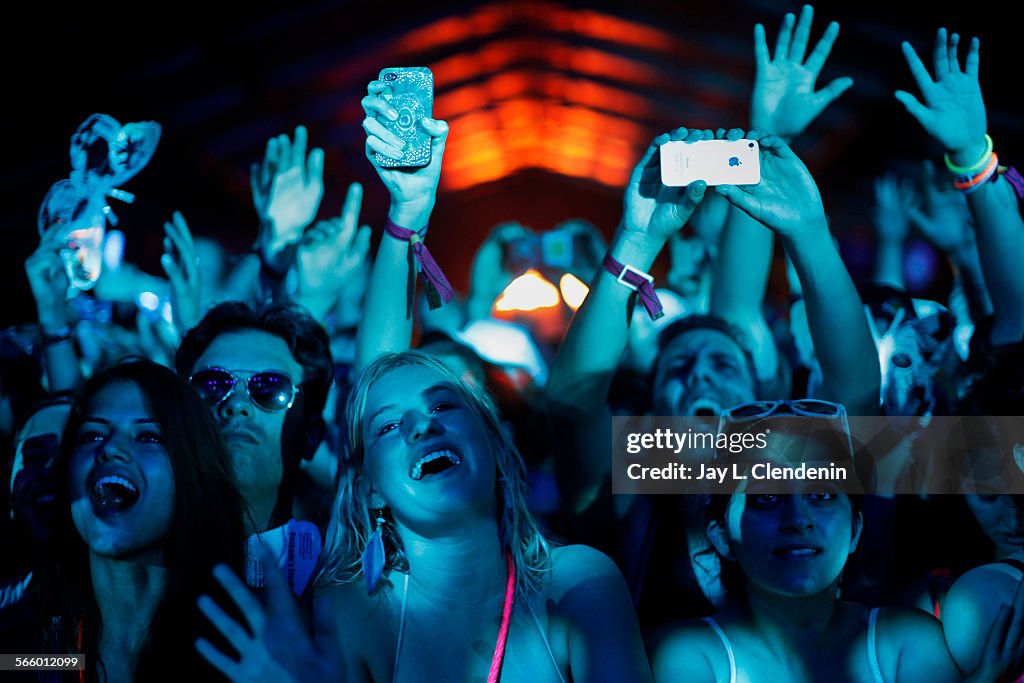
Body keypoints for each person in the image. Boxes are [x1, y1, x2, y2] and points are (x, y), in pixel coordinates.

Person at [649, 402, 1024, 682]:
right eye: (765, 497)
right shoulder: (686, 655)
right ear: (722, 537)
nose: (797, 520)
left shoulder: (908, 640)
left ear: (856, 530)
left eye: (822, 494)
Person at [38, 359, 246, 681]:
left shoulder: (239, 653)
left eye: (148, 437)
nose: (110, 449)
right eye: (92, 435)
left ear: (191, 474)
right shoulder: (46, 650)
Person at [175, 300, 333, 594]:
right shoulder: (137, 564)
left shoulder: (344, 581)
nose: (236, 404)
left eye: (269, 388)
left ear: (311, 435)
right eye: (212, 384)